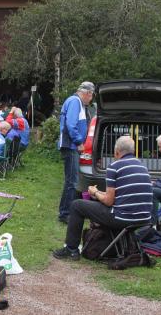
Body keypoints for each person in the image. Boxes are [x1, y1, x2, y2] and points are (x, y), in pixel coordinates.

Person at [53, 136, 153, 260]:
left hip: (122, 218)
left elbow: (109, 201)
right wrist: (100, 193)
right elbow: (120, 195)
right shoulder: (143, 167)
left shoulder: (115, 166)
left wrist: (94, 193)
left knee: (77, 205)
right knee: (94, 202)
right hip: (144, 219)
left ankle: (71, 249)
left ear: (117, 151)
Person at [57, 81, 95, 224]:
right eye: (91, 96)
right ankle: (65, 214)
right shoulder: (75, 102)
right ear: (87, 93)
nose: (90, 99)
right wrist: (79, 142)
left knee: (71, 181)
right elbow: (71, 124)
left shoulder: (77, 102)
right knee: (72, 182)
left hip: (71, 146)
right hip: (71, 146)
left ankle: (65, 211)